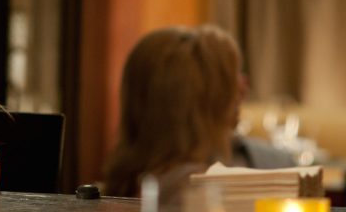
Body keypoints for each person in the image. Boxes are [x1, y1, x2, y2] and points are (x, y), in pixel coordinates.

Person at [103, 24, 293, 202]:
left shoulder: (265, 160)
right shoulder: (179, 192)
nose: (243, 87)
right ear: (190, 99)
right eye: (227, 79)